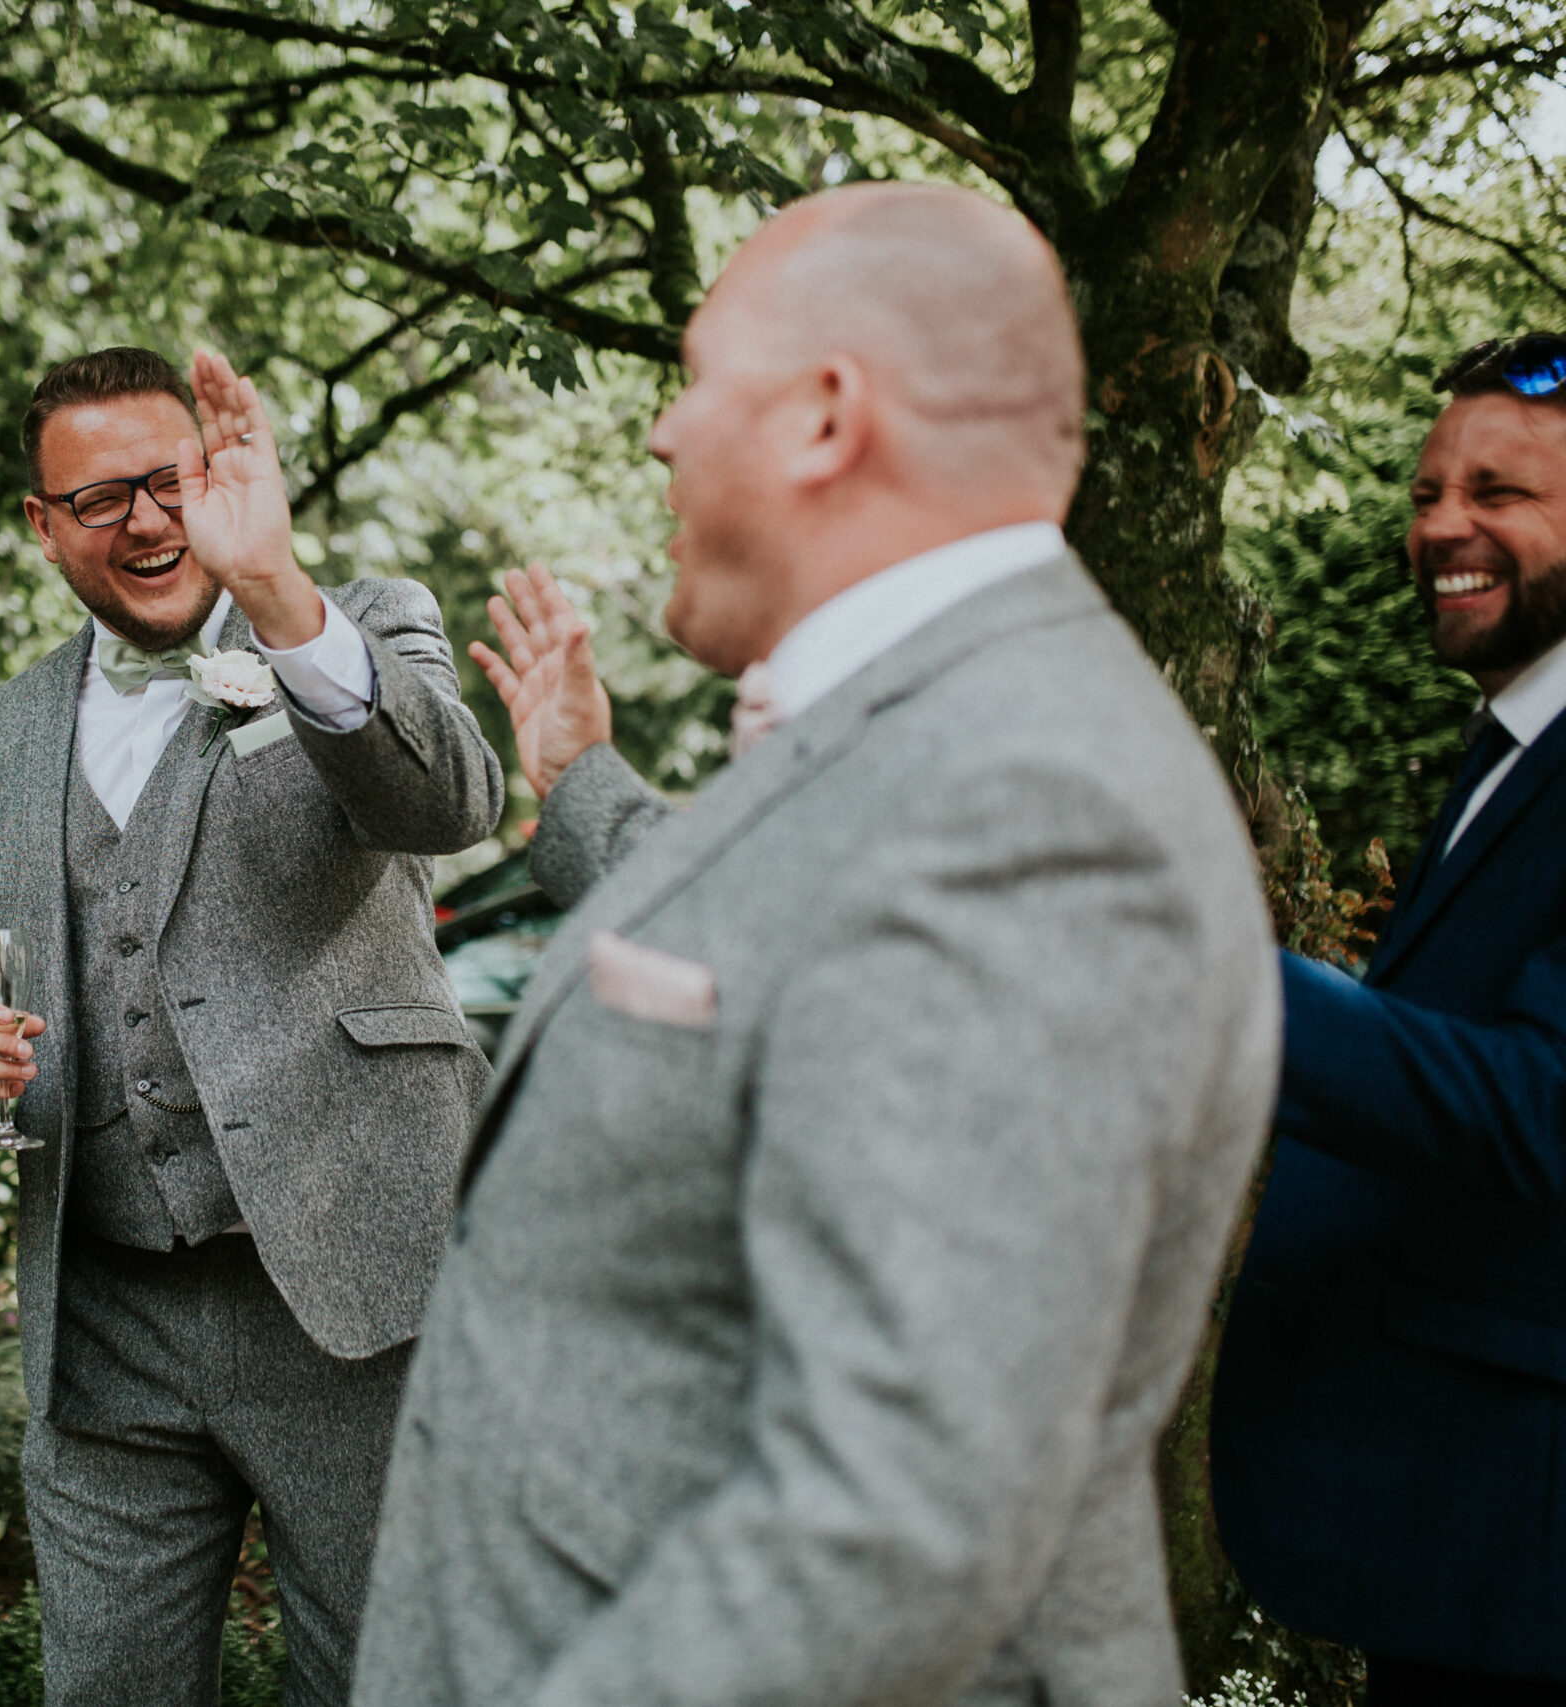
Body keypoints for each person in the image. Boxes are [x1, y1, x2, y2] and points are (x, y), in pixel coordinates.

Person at [350, 183, 1280, 1707]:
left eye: (698, 374)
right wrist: (580, 782)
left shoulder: (1035, 807)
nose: (660, 431)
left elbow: (897, 1516)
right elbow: (793, 939)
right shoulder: (927, 730)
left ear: (824, 418)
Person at [0, 346, 501, 1704]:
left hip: (358, 1293)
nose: (152, 521)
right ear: (42, 526)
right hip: (104, 1314)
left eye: (171, 479)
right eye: (103, 499)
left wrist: (279, 596)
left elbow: (450, 803)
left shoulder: (355, 622)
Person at [1211, 332, 1566, 1704]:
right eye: (1426, 494)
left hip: (1522, 1549)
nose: (1443, 527)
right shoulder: (1507, 748)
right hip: (1446, 1535)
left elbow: (1539, 1107)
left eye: (1501, 492)